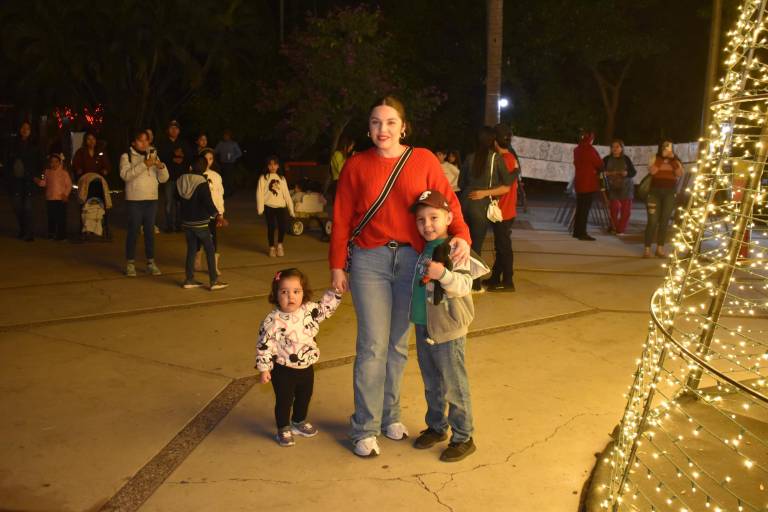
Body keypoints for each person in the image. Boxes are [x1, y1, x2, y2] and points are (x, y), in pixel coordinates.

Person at [330, 96, 472, 458]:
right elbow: (343, 216)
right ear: (368, 128)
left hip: (413, 260)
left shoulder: (422, 159)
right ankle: (364, 425)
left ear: (403, 126)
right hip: (369, 261)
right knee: (372, 346)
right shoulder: (356, 165)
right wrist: (337, 265)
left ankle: (389, 415)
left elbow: (448, 203)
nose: (383, 129)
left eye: (391, 122)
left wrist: (462, 236)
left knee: (396, 344)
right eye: (376, 123)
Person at [409, 189, 487, 462]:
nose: (427, 225)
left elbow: (465, 285)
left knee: (454, 385)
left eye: (434, 217)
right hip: (424, 327)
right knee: (432, 383)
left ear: (449, 217)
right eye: (421, 220)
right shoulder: (422, 249)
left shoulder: (455, 248)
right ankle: (436, 426)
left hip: (449, 330)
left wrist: (442, 274)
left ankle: (464, 436)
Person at [255, 268, 342, 447]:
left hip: (306, 366)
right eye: (284, 292)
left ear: (304, 293)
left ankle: (298, 421)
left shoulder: (309, 310)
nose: (291, 297)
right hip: (283, 369)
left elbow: (325, 308)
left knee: (305, 396)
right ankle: (283, 427)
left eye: (296, 291)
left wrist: (336, 292)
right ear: (276, 295)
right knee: (284, 400)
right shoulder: (274, 320)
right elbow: (265, 344)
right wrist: (264, 368)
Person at [459, 126, 512, 291]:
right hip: (480, 208)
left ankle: (459, 281)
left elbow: (461, 184)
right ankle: (474, 285)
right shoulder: (496, 158)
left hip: (463, 204)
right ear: (492, 141)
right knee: (476, 246)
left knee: (461, 244)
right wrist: (485, 192)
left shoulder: (469, 158)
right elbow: (507, 187)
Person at [120, 130, 169, 277]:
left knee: (150, 232)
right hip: (134, 199)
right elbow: (125, 175)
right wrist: (144, 164)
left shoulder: (153, 154)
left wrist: (161, 167)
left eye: (146, 140)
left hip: (151, 199)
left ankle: (151, 262)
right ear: (134, 142)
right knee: (133, 231)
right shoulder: (126, 156)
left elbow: (164, 179)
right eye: (141, 140)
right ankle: (130, 263)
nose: (144, 143)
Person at [177, 155, 228, 291]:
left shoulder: (181, 179)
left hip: (186, 222)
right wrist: (218, 216)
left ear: (190, 167)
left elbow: (178, 200)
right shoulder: (201, 182)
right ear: (204, 168)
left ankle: (189, 279)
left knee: (192, 249)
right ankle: (213, 281)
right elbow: (208, 202)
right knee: (210, 249)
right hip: (200, 222)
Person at [483, 124, 521, 292]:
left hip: (503, 211)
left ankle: (508, 281)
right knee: (501, 247)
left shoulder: (504, 160)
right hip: (506, 210)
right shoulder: (510, 158)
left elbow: (504, 187)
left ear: (495, 141)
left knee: (504, 248)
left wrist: (482, 193)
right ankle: (495, 278)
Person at [644, 141, 683, 258]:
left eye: (669, 146)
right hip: (654, 193)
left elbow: (679, 174)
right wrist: (662, 158)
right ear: (660, 147)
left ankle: (660, 248)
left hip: (669, 193)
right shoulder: (654, 158)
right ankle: (647, 249)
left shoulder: (676, 160)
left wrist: (672, 160)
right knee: (652, 221)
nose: (666, 148)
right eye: (664, 146)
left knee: (664, 221)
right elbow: (653, 171)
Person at [7, 121, 43, 241]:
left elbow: (39, 162)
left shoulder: (34, 145)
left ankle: (29, 232)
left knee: (28, 207)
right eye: (23, 127)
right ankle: (23, 229)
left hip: (30, 180)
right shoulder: (13, 144)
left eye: (27, 128)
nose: (25, 130)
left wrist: (38, 176)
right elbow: (8, 161)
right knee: (17, 206)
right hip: (16, 180)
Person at [157, 120, 193, 232]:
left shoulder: (183, 143)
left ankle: (179, 225)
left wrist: (182, 156)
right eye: (171, 128)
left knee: (180, 202)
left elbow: (190, 157)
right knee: (168, 202)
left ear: (179, 130)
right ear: (168, 130)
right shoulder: (163, 143)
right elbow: (160, 158)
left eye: (176, 128)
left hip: (181, 177)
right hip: (169, 178)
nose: (174, 130)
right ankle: (169, 226)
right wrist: (172, 157)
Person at [256, 156, 294, 258]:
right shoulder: (263, 178)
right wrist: (260, 208)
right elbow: (259, 194)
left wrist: (291, 209)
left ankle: (280, 245)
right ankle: (272, 247)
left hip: (281, 206)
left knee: (282, 226)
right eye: (270, 164)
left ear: (278, 166)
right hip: (269, 207)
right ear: (267, 166)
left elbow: (286, 194)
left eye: (275, 164)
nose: (273, 166)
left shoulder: (281, 178)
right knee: (271, 227)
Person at [196, 148, 227, 275]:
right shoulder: (196, 174)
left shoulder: (216, 176)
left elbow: (220, 195)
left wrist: (221, 213)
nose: (208, 161)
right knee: (198, 238)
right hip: (198, 213)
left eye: (211, 159)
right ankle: (196, 260)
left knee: (212, 238)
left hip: (213, 213)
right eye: (206, 159)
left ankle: (213, 265)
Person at [572, 131, 603, 241]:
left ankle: (577, 231)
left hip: (579, 182)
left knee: (580, 208)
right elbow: (599, 163)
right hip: (589, 183)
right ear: (590, 139)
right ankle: (582, 233)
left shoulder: (577, 149)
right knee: (585, 210)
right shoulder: (590, 150)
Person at [33, 153, 72, 240]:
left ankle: (61, 235)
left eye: (56, 162)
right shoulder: (48, 172)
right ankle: (52, 233)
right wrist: (39, 181)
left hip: (61, 199)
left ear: (60, 162)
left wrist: (65, 194)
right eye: (52, 162)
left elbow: (69, 185)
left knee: (61, 217)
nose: (54, 164)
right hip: (50, 198)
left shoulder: (64, 173)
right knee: (51, 217)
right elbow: (45, 183)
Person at [603, 139, 637, 235]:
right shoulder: (606, 159)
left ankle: (621, 230)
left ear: (622, 148)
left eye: (617, 146)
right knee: (614, 209)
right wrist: (605, 173)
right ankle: (614, 227)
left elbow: (633, 172)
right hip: (612, 187)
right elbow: (600, 172)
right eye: (613, 147)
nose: (615, 149)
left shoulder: (626, 159)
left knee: (626, 211)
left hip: (626, 187)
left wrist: (627, 173)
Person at [214, 129, 242, 197]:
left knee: (229, 178)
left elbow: (239, 153)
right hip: (222, 163)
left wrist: (234, 157)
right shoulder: (220, 143)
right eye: (225, 135)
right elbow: (215, 151)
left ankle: (230, 191)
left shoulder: (233, 144)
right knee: (223, 178)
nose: (226, 137)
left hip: (230, 163)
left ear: (230, 136)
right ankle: (225, 192)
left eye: (227, 135)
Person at [328, 134, 355, 203]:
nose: (351, 148)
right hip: (339, 182)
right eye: (351, 146)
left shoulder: (342, 156)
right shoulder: (337, 154)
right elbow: (341, 169)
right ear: (345, 145)